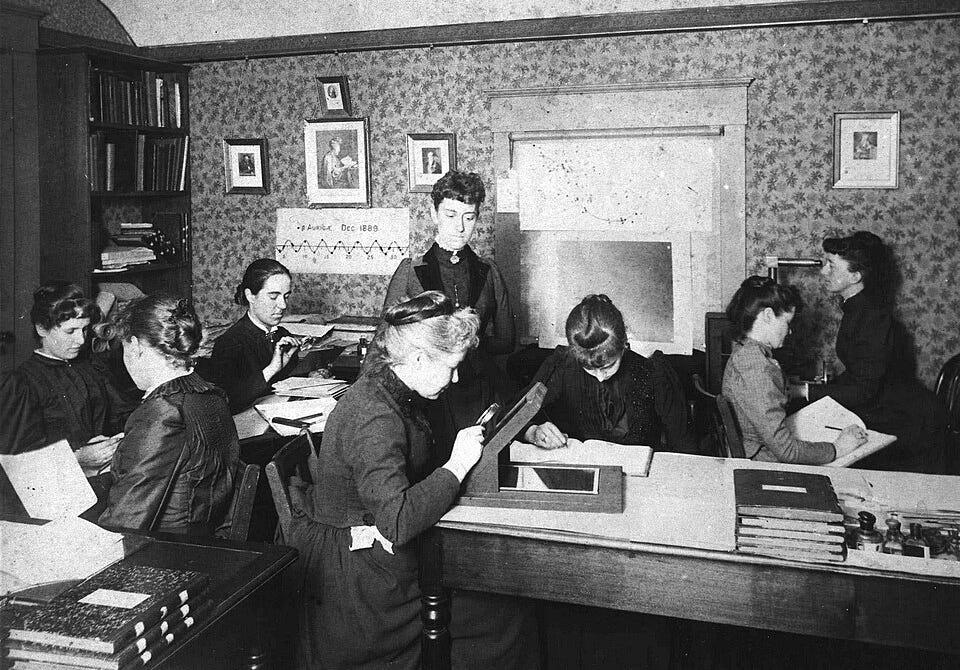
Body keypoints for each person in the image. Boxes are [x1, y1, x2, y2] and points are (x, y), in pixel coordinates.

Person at [285, 291, 538, 669]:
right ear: (419, 358)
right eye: (451, 367)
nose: (456, 378)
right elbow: (398, 521)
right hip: (357, 579)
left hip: (370, 549)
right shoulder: (375, 416)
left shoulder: (390, 386)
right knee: (507, 614)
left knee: (502, 602)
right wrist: (456, 466)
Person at [383, 170, 516, 457]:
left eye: (469, 217)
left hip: (478, 396)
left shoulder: (489, 272)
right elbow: (385, 344)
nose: (460, 227)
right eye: (451, 215)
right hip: (425, 400)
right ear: (434, 214)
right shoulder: (410, 272)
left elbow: (507, 341)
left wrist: (468, 348)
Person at [804, 231, 947, 473]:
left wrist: (805, 391)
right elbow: (859, 373)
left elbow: (864, 390)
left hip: (908, 423)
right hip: (887, 409)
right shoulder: (857, 308)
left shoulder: (872, 317)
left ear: (855, 276)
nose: (823, 272)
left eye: (831, 265)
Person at [98, 295, 239, 535]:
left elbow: (125, 520)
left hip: (168, 545)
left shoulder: (162, 411)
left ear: (135, 346)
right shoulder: (210, 393)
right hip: (204, 534)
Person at [523, 294, 695, 453]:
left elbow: (683, 443)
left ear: (623, 344)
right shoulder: (561, 365)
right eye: (589, 368)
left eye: (608, 366)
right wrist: (533, 432)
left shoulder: (652, 371)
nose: (600, 377)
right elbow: (512, 418)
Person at [722, 276, 866, 464]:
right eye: (787, 323)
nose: (790, 331)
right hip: (763, 461)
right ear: (767, 316)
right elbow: (787, 451)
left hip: (758, 449)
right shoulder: (756, 366)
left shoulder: (744, 350)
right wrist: (838, 448)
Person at [0, 282, 125, 472]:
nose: (81, 340)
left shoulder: (92, 365)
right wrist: (77, 459)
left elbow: (122, 413)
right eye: (70, 331)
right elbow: (16, 466)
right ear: (42, 329)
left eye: (84, 329)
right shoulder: (22, 383)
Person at [203, 259, 301, 414]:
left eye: (286, 296)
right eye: (273, 297)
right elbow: (225, 403)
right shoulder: (230, 343)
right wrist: (271, 370)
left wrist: (312, 378)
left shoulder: (282, 335)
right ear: (250, 296)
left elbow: (285, 382)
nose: (283, 305)